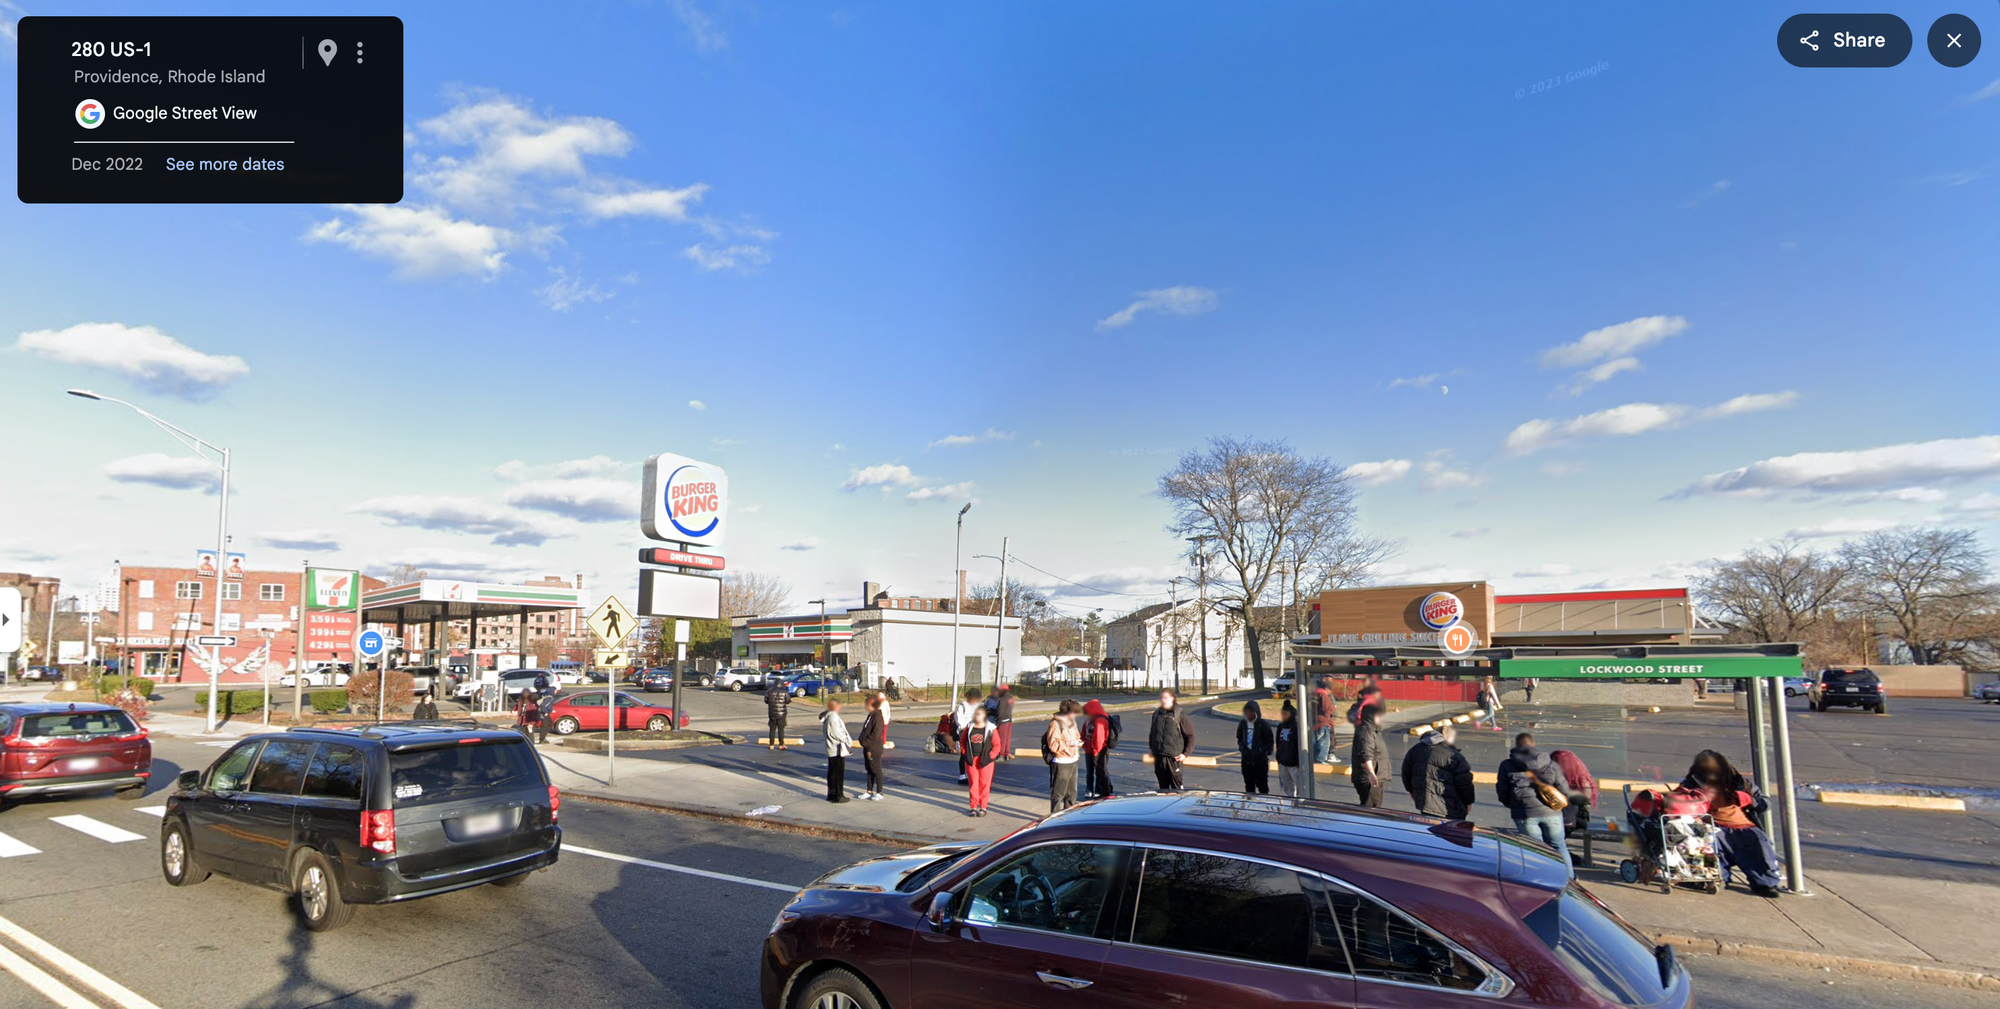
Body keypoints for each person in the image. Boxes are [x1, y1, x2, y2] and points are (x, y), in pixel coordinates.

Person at [1683, 750, 1783, 897]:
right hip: (1714, 825)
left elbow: (1765, 804)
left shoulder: (1740, 783)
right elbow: (1679, 802)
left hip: (1744, 825)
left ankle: (1765, 884)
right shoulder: (1692, 783)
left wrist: (1750, 800)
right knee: (1709, 842)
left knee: (1759, 842)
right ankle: (1717, 878)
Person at [1496, 732, 1571, 860]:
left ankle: (1543, 873)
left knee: (1536, 850)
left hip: (1524, 813)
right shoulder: (1550, 764)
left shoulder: (1507, 765)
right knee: (1559, 846)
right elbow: (1564, 789)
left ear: (1517, 745)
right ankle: (1568, 873)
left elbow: (1502, 790)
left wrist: (1513, 805)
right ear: (1533, 744)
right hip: (1552, 812)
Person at [1401, 724, 1475, 819]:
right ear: (1448, 738)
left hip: (1425, 804)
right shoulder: (1454, 756)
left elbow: (1406, 773)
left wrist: (1412, 792)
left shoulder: (1416, 749)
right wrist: (1468, 802)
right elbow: (1465, 783)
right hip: (1450, 808)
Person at [1147, 689, 1196, 791]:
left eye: (1166, 698)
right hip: (1159, 756)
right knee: (1163, 788)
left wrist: (1185, 754)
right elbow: (1152, 733)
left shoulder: (1180, 715)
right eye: (1161, 698)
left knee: (1176, 788)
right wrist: (1151, 748)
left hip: (1174, 758)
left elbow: (1190, 736)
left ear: (1172, 698)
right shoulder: (1156, 714)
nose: (1163, 700)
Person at [1043, 700, 1082, 813]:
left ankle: (1069, 815)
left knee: (1071, 793)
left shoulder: (1072, 722)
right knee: (1059, 793)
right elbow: (1053, 744)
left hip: (1073, 759)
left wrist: (1078, 742)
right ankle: (1055, 816)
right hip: (1062, 761)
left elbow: (1077, 736)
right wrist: (1069, 744)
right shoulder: (1055, 724)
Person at [1551, 748, 1599, 837]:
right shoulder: (1580, 779)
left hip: (1574, 819)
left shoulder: (1580, 781)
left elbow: (1582, 799)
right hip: (1569, 818)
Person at [961, 705, 998, 816]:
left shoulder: (991, 728)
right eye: (975, 714)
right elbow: (962, 742)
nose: (976, 716)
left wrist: (989, 757)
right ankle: (973, 807)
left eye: (979, 714)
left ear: (984, 716)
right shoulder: (969, 727)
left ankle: (983, 807)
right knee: (973, 784)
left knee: (984, 784)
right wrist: (966, 754)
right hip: (972, 760)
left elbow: (997, 746)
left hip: (985, 761)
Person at [1236, 699, 1274, 794]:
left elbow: (1269, 742)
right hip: (1246, 760)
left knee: (1262, 786)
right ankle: (1250, 801)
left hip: (1260, 760)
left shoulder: (1263, 724)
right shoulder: (1243, 724)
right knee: (1249, 785)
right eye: (1246, 711)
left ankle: (1263, 801)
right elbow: (1239, 738)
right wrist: (1243, 749)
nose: (1248, 714)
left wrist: (1261, 751)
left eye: (1250, 711)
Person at [1351, 705, 1386, 807]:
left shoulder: (1373, 730)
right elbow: (1366, 754)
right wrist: (1371, 773)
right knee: (1371, 807)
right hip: (1369, 778)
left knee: (1375, 806)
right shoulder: (1366, 731)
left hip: (1376, 775)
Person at [821, 698, 854, 803]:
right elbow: (837, 733)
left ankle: (832, 794)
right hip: (837, 748)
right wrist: (847, 740)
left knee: (832, 773)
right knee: (837, 774)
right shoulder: (833, 717)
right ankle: (838, 796)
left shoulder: (829, 716)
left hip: (832, 748)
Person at [1081, 698, 1115, 798]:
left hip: (1100, 750)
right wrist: (1083, 743)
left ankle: (1101, 790)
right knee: (1090, 770)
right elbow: (1083, 733)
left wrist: (1096, 751)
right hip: (1089, 748)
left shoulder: (1100, 720)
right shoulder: (1089, 721)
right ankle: (1090, 789)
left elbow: (1099, 738)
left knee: (1100, 770)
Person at [857, 696, 888, 801]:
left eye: (867, 704)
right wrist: (861, 740)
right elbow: (865, 730)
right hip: (867, 746)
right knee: (869, 768)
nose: (865, 706)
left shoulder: (877, 716)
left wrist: (866, 742)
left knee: (876, 768)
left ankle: (879, 792)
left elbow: (876, 733)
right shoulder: (871, 715)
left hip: (873, 747)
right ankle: (869, 790)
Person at [954, 688, 984, 784]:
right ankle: (962, 776)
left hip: (975, 731)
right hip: (965, 731)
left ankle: (974, 775)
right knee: (964, 754)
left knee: (976, 753)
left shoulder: (978, 706)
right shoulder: (962, 707)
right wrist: (968, 726)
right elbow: (959, 720)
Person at [1274, 701, 1302, 796]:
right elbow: (1278, 742)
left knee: (1300, 787)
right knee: (1288, 787)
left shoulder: (1297, 727)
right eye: (1282, 714)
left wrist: (1298, 762)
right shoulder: (1281, 726)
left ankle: (1300, 802)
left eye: (1285, 714)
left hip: (1294, 763)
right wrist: (1278, 758)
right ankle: (1291, 801)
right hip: (1283, 762)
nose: (1283, 716)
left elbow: (1299, 744)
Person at [1310, 676, 1337, 764]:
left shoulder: (1314, 694)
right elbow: (1327, 708)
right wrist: (1334, 708)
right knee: (1324, 743)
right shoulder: (1323, 695)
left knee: (1315, 742)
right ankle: (1320, 760)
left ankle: (1314, 759)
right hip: (1323, 722)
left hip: (1315, 722)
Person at [763, 676, 792, 751]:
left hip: (772, 712)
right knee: (781, 729)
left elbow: (766, 701)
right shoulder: (784, 691)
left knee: (772, 729)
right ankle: (781, 744)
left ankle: (771, 744)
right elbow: (788, 701)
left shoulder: (769, 691)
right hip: (781, 713)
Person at [993, 684, 1016, 760]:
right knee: (1007, 738)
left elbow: (1000, 711)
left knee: (1002, 738)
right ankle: (1007, 753)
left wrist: (996, 716)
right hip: (1009, 719)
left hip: (1003, 720)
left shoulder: (1003, 698)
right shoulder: (1011, 698)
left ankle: (1001, 754)